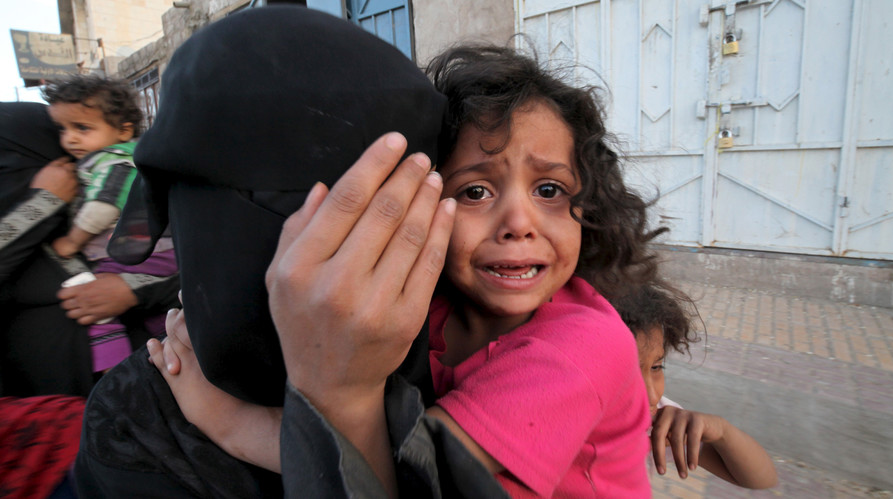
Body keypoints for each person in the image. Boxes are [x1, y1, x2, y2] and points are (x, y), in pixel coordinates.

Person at [150, 45, 666, 497]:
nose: (518, 223)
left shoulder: (583, 347)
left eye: (549, 191)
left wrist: (228, 423)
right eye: (475, 192)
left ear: (591, 207)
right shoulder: (434, 307)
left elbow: (400, 478)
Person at [74, 6, 505, 497]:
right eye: (277, 204)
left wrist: (286, 418)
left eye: (381, 213)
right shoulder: (138, 420)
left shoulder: (482, 349)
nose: (322, 270)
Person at [0, 101, 178, 397]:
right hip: (47, 421)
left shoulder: (116, 207)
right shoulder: (37, 217)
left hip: (150, 401)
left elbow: (197, 277)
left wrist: (132, 289)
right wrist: (42, 203)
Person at [42, 75, 178, 373]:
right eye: (63, 129)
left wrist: (73, 242)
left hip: (140, 253)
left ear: (123, 130)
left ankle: (113, 374)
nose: (70, 139)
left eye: (82, 128)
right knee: (160, 317)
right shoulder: (111, 157)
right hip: (149, 252)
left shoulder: (114, 160)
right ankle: (170, 353)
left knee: (97, 309)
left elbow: (104, 206)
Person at [612, 282, 778, 489]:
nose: (653, 396)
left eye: (656, 367)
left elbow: (761, 480)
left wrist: (721, 431)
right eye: (626, 374)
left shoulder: (659, 424)